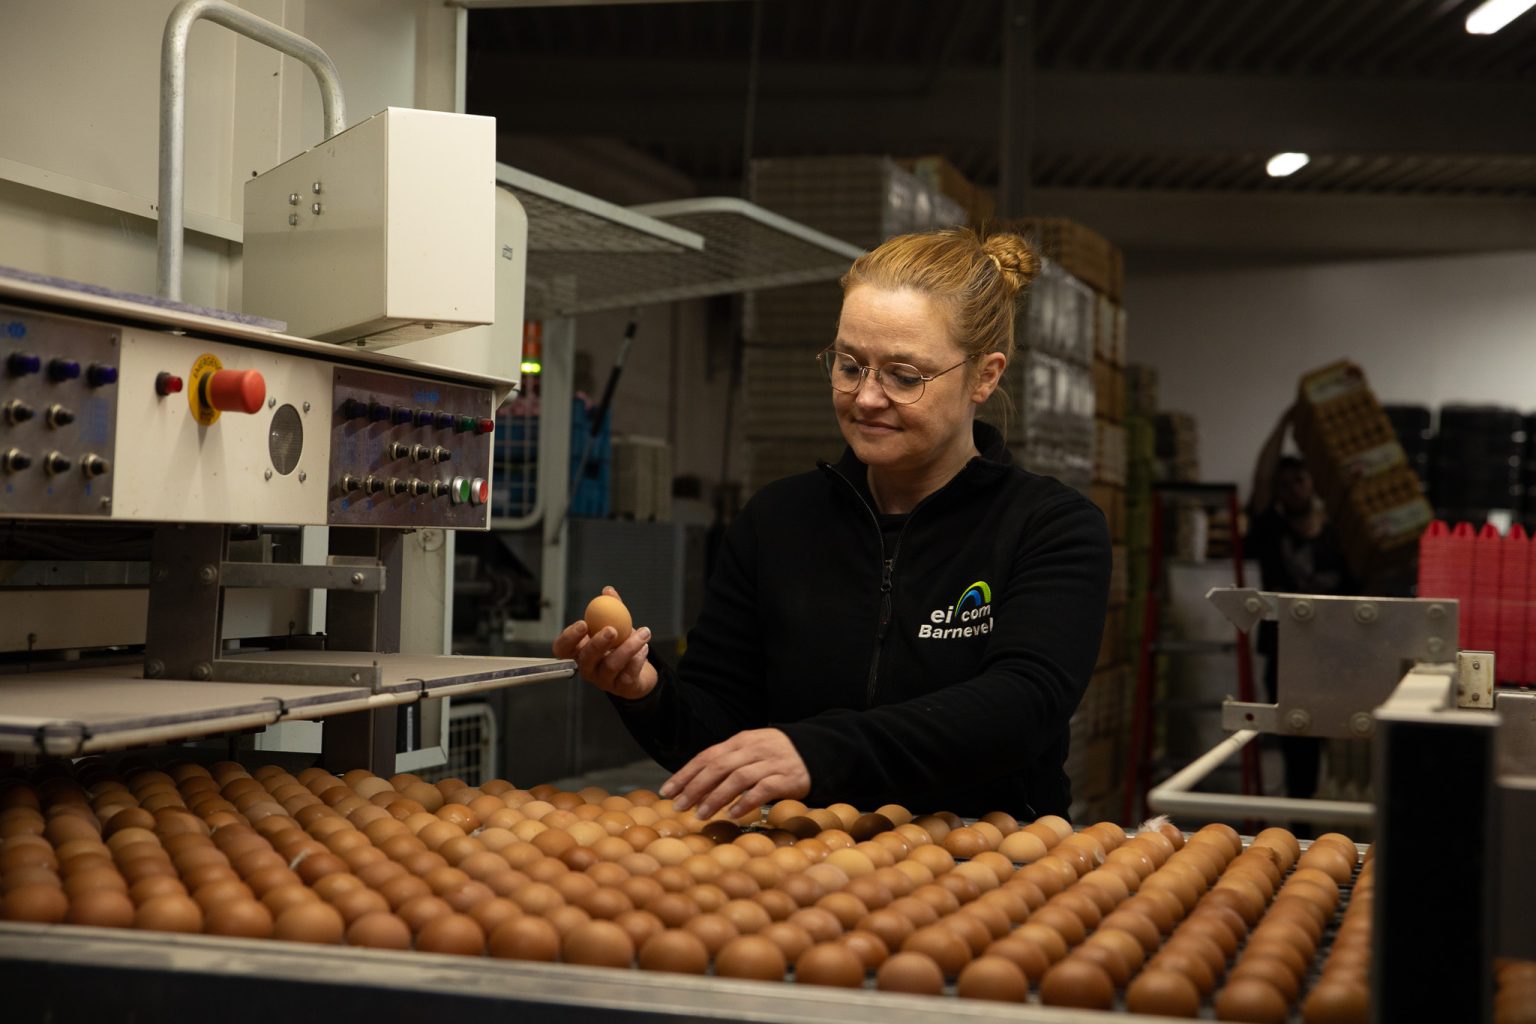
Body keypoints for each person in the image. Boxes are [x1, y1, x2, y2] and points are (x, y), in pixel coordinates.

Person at [553, 228, 1112, 821]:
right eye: (849, 365)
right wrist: (647, 692)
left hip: (987, 869)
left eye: (904, 375)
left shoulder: (1051, 528)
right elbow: (718, 734)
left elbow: (1019, 709)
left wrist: (815, 752)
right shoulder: (777, 523)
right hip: (803, 865)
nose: (866, 398)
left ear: (984, 376)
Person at [1246, 407, 1358, 802]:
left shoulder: (1341, 535)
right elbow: (1261, 478)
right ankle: (1300, 825)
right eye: (1285, 484)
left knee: (1345, 743)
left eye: (1300, 480)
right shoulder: (1270, 531)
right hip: (1287, 652)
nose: (1293, 488)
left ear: (1313, 483)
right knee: (1297, 744)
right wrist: (1283, 425)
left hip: (1337, 652)